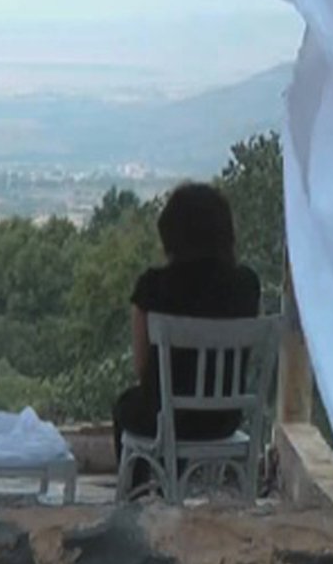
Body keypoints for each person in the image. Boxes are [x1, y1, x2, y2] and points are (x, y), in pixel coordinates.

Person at [110, 181, 262, 495]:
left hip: (166, 420)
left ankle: (139, 498)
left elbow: (141, 367)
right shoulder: (247, 285)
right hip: (223, 420)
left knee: (126, 406)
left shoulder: (152, 287)